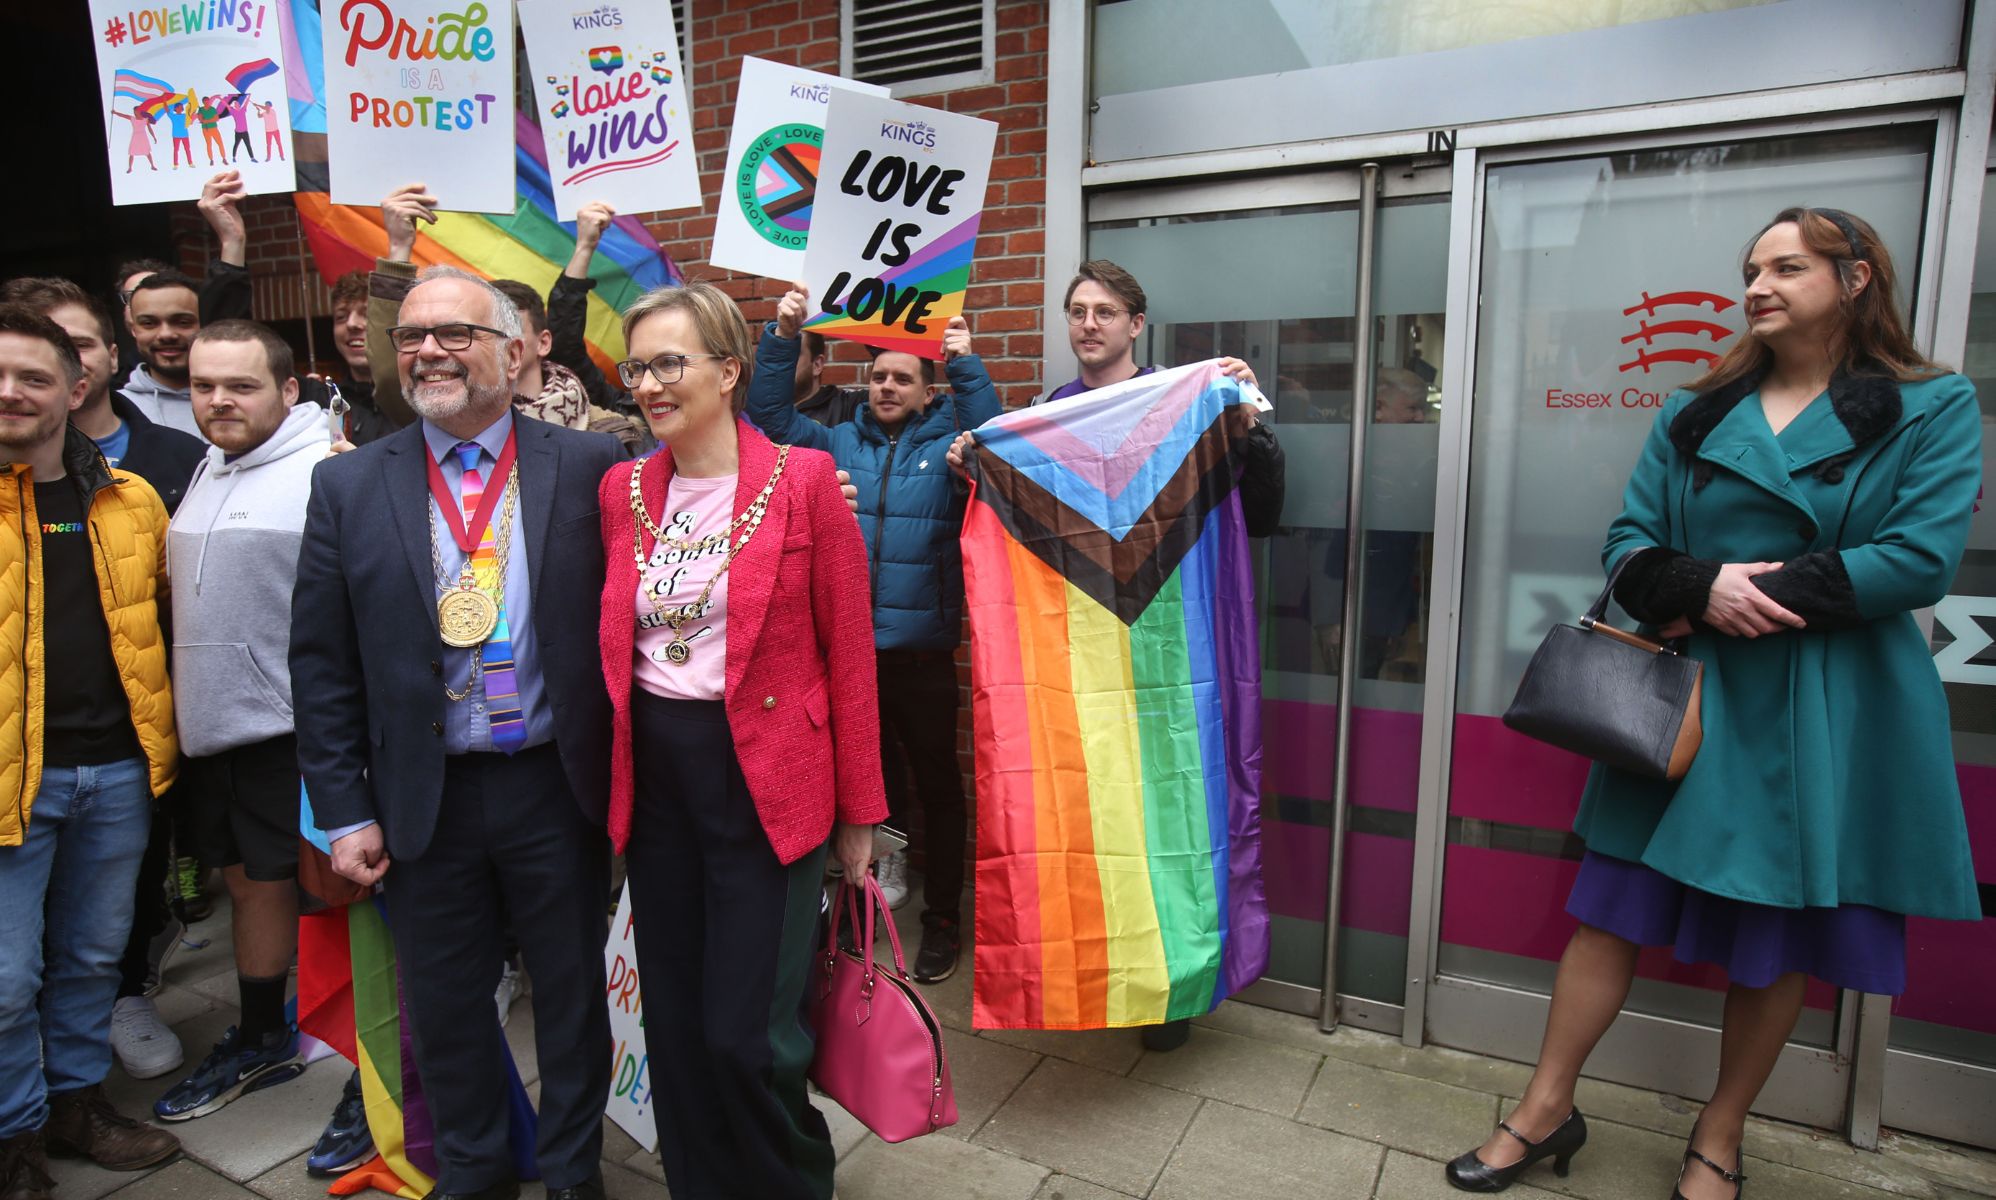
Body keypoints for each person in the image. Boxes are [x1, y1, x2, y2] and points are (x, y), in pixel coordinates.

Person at [1443, 208, 1984, 1199]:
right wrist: (1701, 587)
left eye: (1787, 267)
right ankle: (1544, 1110)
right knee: (1607, 911)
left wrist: (1749, 594)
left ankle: (1718, 1137)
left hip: (1822, 701)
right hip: (1685, 697)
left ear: (1856, 277)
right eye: (1750, 270)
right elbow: (1628, 542)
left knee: (1773, 936)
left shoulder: (1930, 404)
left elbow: (1919, 559)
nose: (1757, 287)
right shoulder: (1695, 410)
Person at [292, 267, 623, 1200]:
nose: (427, 351)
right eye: (411, 337)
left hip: (555, 785)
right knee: (443, 1005)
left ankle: (572, 1173)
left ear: (513, 352)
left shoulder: (591, 466)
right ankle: (474, 1171)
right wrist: (343, 811)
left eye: (454, 334)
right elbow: (321, 664)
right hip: (421, 796)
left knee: (571, 997)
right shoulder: (347, 484)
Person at [947, 259, 1285, 1051]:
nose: (1089, 323)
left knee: (1175, 817)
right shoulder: (1045, 420)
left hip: (1174, 661)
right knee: (1089, 816)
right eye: (1077, 310)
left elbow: (1263, 513)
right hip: (1080, 669)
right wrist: (977, 471)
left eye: (1105, 311)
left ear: (1137, 324)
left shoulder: (1188, 403)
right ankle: (1100, 976)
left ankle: (1174, 991)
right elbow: (1022, 539)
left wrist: (1249, 431)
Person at [598, 282, 884, 1200]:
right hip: (659, 780)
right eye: (637, 368)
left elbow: (851, 655)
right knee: (676, 1021)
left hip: (771, 781)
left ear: (728, 372)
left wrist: (860, 814)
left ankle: (791, 1182)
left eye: (669, 363)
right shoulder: (621, 490)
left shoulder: (805, 482)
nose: (649, 384)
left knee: (749, 1035)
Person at [749, 283, 1000, 983]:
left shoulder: (950, 448)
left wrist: (965, 363)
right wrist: (782, 336)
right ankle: (864, 909)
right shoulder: (834, 441)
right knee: (867, 788)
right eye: (879, 376)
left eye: (902, 379)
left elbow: (996, 441)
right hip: (849, 656)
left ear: (927, 392)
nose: (887, 387)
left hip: (922, 656)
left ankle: (943, 918)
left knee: (938, 788)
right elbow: (767, 418)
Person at [0, 277, 205, 1082]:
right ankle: (20, 1130)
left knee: (93, 959)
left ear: (75, 387)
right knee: (7, 981)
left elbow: (165, 617)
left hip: (118, 773)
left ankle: (78, 1103)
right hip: (13, 780)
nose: (11, 392)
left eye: (33, 377)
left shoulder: (133, 499)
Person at [149, 321, 331, 1123]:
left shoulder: (326, 469)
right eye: (203, 386)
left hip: (288, 732)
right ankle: (262, 1037)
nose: (218, 400)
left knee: (339, 898)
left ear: (288, 390)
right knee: (248, 886)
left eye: (241, 386)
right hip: (212, 729)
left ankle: (383, 1069)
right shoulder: (207, 464)